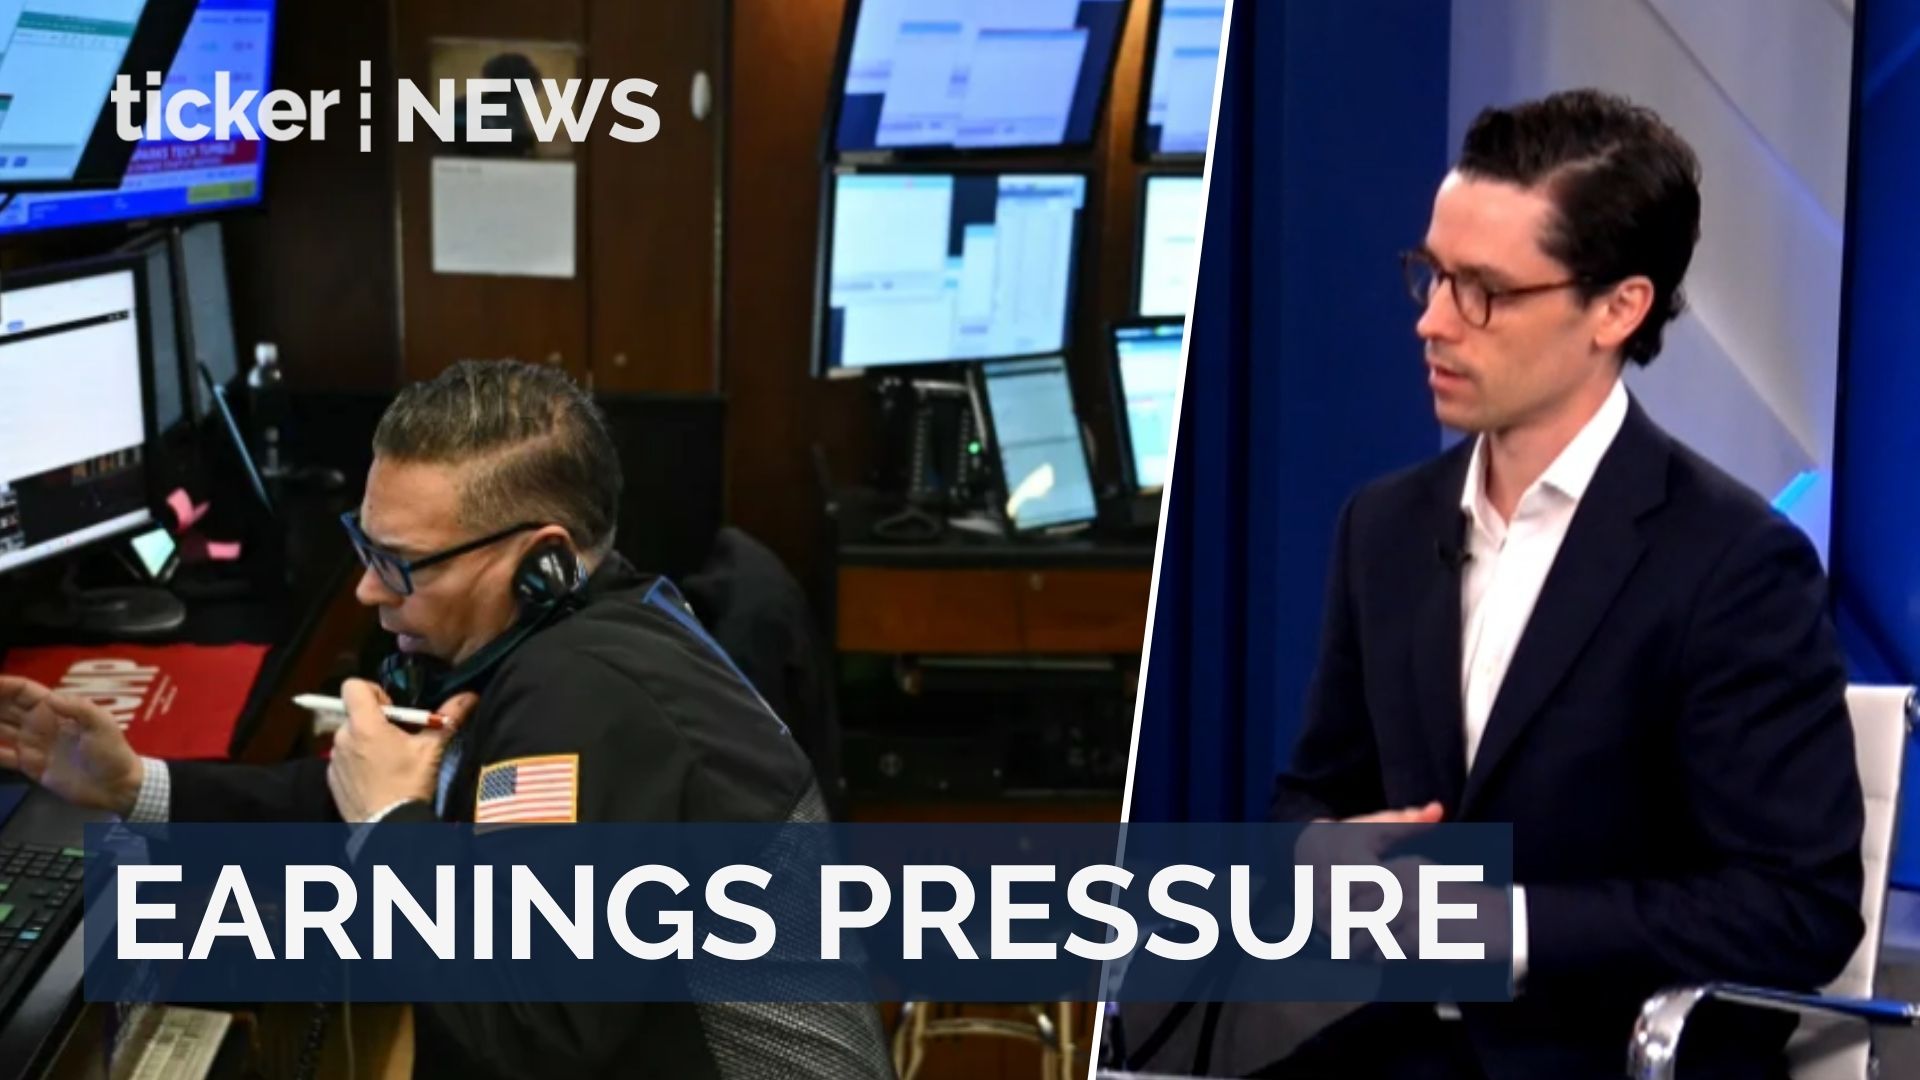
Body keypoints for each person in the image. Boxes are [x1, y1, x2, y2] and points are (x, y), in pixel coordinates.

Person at [0, 360, 893, 1080]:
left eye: (401, 563)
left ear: (542, 560)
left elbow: (530, 1028)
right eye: (366, 545)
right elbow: (391, 797)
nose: (366, 588)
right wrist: (135, 784)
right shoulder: (585, 623)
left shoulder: (585, 695)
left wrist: (391, 826)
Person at [1262, 90, 1862, 1078]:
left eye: (1484, 292)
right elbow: (1313, 792)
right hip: (1393, 1047)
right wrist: (1314, 852)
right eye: (1432, 275)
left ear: (1618, 309)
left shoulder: (1731, 563)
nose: (1433, 322)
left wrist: (1512, 926)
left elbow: (1795, 907)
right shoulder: (1384, 527)